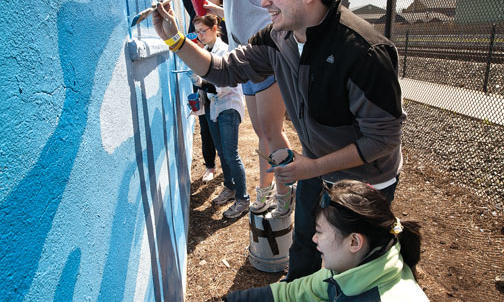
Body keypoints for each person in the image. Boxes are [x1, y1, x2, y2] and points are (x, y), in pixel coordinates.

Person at [153, 0, 404, 280]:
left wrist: (312, 167)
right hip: (315, 167)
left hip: (364, 182)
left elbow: (382, 139)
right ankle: (297, 289)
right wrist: (175, 40)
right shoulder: (277, 37)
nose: (263, 2)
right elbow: (223, 70)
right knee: (304, 245)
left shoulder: (365, 51)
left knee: (352, 269)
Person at [223, 180, 429, 301]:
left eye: (320, 232)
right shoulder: (351, 267)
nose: (314, 238)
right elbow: (295, 291)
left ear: (354, 242)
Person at [203, 0, 294, 218]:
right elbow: (246, 13)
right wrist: (219, 11)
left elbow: (275, 9)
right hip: (244, 59)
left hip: (265, 54)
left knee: (272, 131)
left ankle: (285, 193)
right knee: (262, 132)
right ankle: (266, 188)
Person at [191, 14, 250, 218]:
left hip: (228, 107)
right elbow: (202, 83)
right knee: (221, 151)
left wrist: (202, 83)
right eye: (197, 32)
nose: (200, 35)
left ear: (215, 28)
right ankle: (229, 186)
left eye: (203, 31)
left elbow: (223, 85)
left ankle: (243, 199)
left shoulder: (224, 51)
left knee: (231, 153)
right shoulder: (205, 51)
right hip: (213, 107)